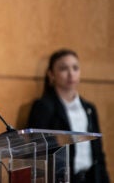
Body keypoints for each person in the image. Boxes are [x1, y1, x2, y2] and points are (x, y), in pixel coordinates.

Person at [28, 49, 109, 183]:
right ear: (51, 74)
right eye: (64, 69)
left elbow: (98, 154)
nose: (71, 74)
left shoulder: (89, 108)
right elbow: (37, 152)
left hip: (91, 178)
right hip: (61, 178)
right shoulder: (43, 107)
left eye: (75, 68)